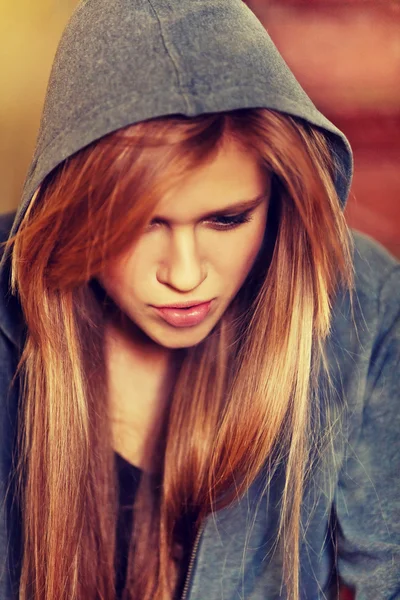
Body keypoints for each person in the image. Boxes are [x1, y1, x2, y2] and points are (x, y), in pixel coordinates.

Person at [0, 1, 398, 599]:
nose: (185, 276)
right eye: (139, 225)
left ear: (278, 197)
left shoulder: (361, 303)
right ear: (72, 211)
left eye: (227, 219)